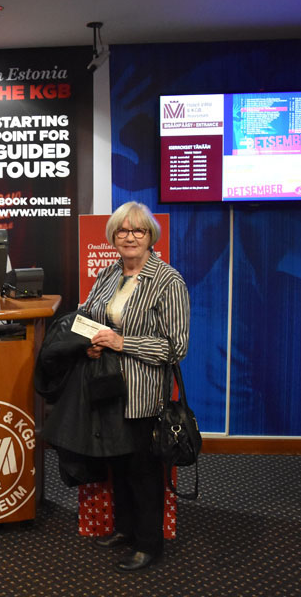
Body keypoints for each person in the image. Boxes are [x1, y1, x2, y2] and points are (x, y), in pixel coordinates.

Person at [81, 200, 190, 572]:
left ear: (150, 236)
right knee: (119, 464)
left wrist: (122, 342)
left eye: (138, 230)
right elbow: (89, 314)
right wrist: (91, 343)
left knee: (143, 471)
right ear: (113, 236)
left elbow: (176, 347)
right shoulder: (109, 273)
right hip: (107, 387)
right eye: (123, 231)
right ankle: (125, 529)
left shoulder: (168, 281)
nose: (130, 237)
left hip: (143, 394)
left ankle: (148, 544)